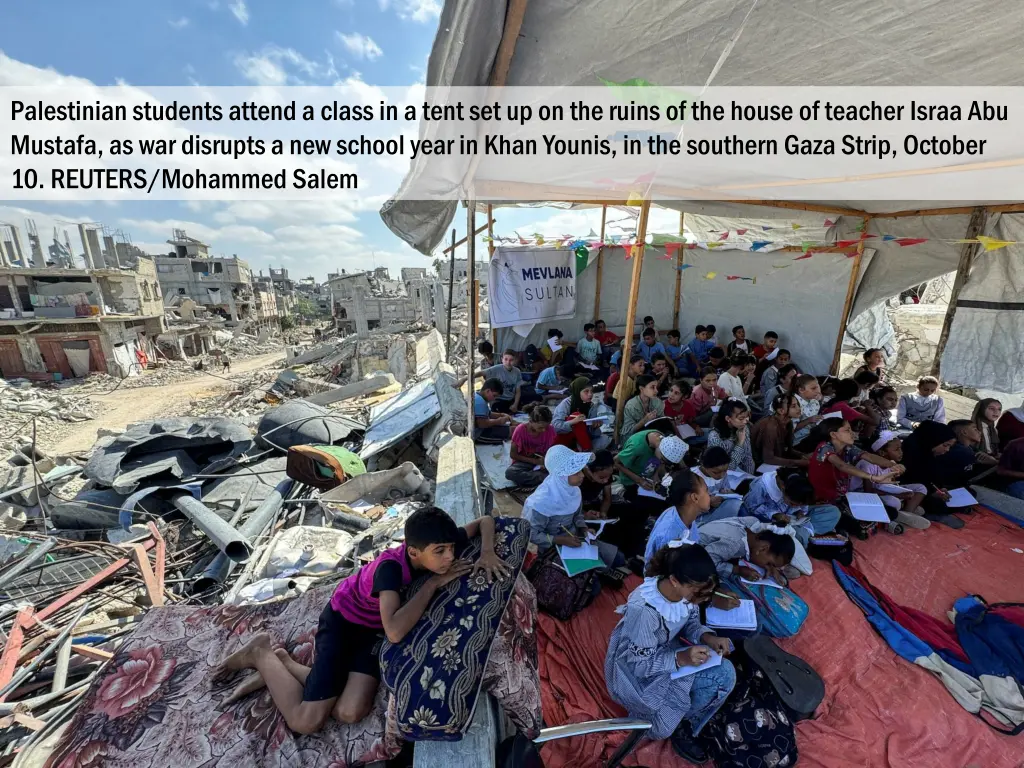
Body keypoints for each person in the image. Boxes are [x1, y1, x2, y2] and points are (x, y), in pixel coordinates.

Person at [216, 506, 507, 733]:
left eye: (451, 549)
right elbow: (394, 631)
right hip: (344, 622)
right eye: (440, 552)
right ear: (414, 551)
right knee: (306, 721)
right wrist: (433, 585)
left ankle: (286, 663)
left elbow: (485, 521)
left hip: (371, 631)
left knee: (349, 712)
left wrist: (487, 552)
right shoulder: (390, 570)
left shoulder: (440, 542)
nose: (449, 557)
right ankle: (261, 652)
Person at [604, 543, 734, 763]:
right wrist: (680, 658)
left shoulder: (683, 593)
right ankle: (686, 717)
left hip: (664, 653)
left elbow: (691, 622)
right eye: (697, 592)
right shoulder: (645, 611)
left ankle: (688, 720)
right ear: (674, 580)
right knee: (660, 729)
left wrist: (707, 637)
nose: (700, 599)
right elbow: (639, 665)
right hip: (634, 672)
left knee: (726, 674)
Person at [696, 517, 805, 638]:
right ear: (763, 548)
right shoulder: (735, 544)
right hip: (694, 556)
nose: (767, 567)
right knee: (727, 592)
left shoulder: (754, 525)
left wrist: (772, 568)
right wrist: (737, 570)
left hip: (711, 545)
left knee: (791, 573)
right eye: (769, 563)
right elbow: (706, 561)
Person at [522, 445, 623, 571]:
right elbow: (532, 534)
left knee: (619, 558)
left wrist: (584, 529)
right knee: (593, 584)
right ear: (562, 475)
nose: (582, 476)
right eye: (576, 473)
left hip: (576, 538)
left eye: (580, 471)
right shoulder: (541, 502)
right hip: (553, 546)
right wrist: (561, 540)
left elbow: (577, 515)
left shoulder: (574, 491)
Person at [802, 418, 902, 534]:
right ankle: (883, 523)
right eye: (847, 430)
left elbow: (869, 456)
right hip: (823, 502)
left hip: (842, 498)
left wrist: (893, 465)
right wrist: (872, 477)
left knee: (889, 512)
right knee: (858, 527)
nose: (852, 433)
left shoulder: (847, 448)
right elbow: (842, 466)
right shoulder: (824, 448)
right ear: (834, 434)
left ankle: (884, 521)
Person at [849, 431, 930, 528]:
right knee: (894, 502)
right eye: (896, 449)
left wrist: (900, 490)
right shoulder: (868, 465)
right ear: (882, 452)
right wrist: (897, 494)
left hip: (881, 490)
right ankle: (902, 514)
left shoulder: (891, 463)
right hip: (861, 494)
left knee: (921, 488)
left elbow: (888, 484)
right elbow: (869, 492)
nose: (901, 452)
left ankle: (907, 513)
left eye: (901, 448)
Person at [740, 469, 841, 545]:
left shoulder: (798, 478)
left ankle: (803, 533)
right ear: (783, 489)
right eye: (793, 503)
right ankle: (803, 535)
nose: (796, 506)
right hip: (768, 520)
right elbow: (750, 507)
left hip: (791, 519)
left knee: (833, 512)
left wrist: (800, 511)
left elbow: (804, 502)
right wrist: (774, 514)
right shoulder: (761, 486)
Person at [898, 421, 962, 526]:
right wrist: (932, 493)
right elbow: (911, 479)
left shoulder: (931, 453)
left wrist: (939, 489)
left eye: (950, 446)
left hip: (924, 490)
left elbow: (932, 478)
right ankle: (908, 515)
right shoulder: (911, 450)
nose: (947, 450)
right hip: (907, 490)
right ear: (933, 440)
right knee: (937, 504)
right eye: (945, 445)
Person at [645, 468, 712, 560]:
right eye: (706, 490)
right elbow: (666, 571)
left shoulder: (682, 514)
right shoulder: (670, 537)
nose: (710, 494)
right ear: (695, 498)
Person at [552, 377, 611, 451]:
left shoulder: (591, 406)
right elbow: (555, 427)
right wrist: (573, 422)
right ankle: (587, 450)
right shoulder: (566, 404)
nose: (590, 394)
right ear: (577, 391)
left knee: (604, 438)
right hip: (565, 439)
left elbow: (592, 435)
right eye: (586, 391)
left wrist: (594, 427)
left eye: (591, 391)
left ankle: (581, 450)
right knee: (576, 416)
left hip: (580, 440)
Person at [751, 392, 808, 468]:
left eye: (798, 404)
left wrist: (803, 455)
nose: (799, 408)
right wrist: (799, 462)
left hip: (776, 458)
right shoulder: (771, 427)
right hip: (758, 465)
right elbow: (768, 459)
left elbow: (788, 450)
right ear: (781, 411)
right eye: (793, 406)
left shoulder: (789, 423)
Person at [505, 406, 556, 488]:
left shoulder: (550, 430)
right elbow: (513, 455)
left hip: (543, 462)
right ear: (530, 421)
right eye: (540, 427)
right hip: (525, 461)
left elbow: (552, 450)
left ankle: (539, 479)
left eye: (546, 427)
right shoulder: (520, 430)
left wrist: (546, 461)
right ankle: (545, 478)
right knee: (510, 473)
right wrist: (535, 461)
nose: (544, 430)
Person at [692, 446, 745, 523]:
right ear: (703, 465)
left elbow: (725, 489)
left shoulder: (722, 474)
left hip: (718, 509)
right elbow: (688, 508)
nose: (721, 476)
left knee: (738, 505)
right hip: (700, 517)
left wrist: (728, 493)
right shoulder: (692, 478)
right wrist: (708, 502)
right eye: (716, 472)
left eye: (725, 471)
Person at [483, 350, 534, 414]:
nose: (508, 362)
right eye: (506, 359)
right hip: (499, 400)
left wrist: (515, 404)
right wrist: (468, 377)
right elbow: (481, 372)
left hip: (511, 399)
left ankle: (514, 409)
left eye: (511, 360)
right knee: (497, 409)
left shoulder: (517, 371)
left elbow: (518, 391)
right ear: (502, 359)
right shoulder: (497, 368)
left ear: (515, 361)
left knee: (534, 398)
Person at [473, 378, 513, 444]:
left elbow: (489, 414)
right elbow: (481, 423)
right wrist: (498, 422)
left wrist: (501, 415)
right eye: (494, 396)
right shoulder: (479, 402)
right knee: (512, 431)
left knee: (510, 428)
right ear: (488, 391)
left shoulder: (479, 396)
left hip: (483, 428)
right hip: (479, 434)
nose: (494, 399)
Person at [580, 449, 616, 519]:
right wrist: (584, 514)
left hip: (592, 504)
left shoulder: (606, 474)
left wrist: (603, 512)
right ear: (589, 470)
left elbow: (607, 498)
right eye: (601, 477)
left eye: (609, 476)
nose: (606, 480)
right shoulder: (578, 477)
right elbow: (567, 505)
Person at [791, 374, 824, 444]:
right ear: (801, 390)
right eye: (813, 388)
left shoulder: (814, 401)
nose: (818, 391)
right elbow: (790, 430)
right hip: (796, 442)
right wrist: (808, 420)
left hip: (809, 436)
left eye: (818, 386)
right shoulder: (793, 405)